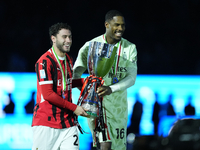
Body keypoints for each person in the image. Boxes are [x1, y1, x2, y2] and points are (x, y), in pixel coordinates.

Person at [73, 10, 137, 150]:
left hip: (119, 109)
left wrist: (110, 89)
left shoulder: (130, 48)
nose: (120, 28)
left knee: (118, 147)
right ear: (107, 24)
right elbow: (75, 75)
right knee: (105, 144)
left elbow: (132, 78)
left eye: (123, 25)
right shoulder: (90, 46)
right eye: (116, 25)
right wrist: (89, 92)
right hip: (98, 107)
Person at [31, 22, 88, 150]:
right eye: (64, 37)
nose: (68, 40)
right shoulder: (44, 62)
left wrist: (86, 83)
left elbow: (65, 84)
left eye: (70, 37)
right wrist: (74, 108)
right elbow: (48, 94)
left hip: (68, 123)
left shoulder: (68, 59)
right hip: (46, 123)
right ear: (53, 38)